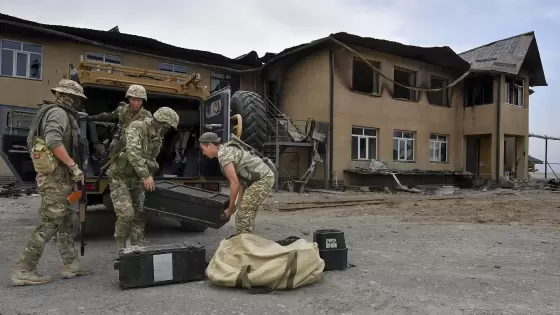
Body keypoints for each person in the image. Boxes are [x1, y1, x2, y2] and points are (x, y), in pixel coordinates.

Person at [11, 79, 92, 286]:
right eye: (76, 99)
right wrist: (73, 166)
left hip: (62, 177)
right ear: (71, 97)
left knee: (67, 221)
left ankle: (71, 264)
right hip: (57, 178)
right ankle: (25, 269)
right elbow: (53, 141)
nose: (77, 103)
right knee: (50, 222)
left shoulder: (56, 112)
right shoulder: (58, 113)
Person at [107, 107, 179, 249]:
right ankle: (121, 249)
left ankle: (138, 248)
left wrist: (149, 174)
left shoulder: (158, 134)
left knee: (140, 213)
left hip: (137, 177)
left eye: (168, 127)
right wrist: (146, 176)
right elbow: (133, 153)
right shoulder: (137, 126)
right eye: (166, 125)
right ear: (159, 121)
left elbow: (151, 158)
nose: (167, 129)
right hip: (120, 176)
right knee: (126, 214)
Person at [198, 132, 274, 234]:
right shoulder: (225, 150)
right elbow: (241, 183)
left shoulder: (224, 155)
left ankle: (244, 242)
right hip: (257, 179)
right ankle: (246, 239)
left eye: (203, 149)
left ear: (211, 145)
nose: (203, 152)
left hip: (263, 179)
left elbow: (235, 184)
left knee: (243, 215)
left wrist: (229, 209)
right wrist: (235, 207)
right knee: (245, 211)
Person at [88, 84, 152, 160]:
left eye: (139, 100)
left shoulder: (146, 116)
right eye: (133, 100)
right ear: (128, 99)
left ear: (143, 101)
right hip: (118, 144)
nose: (136, 103)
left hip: (135, 147)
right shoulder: (122, 110)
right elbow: (109, 116)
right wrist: (90, 117)